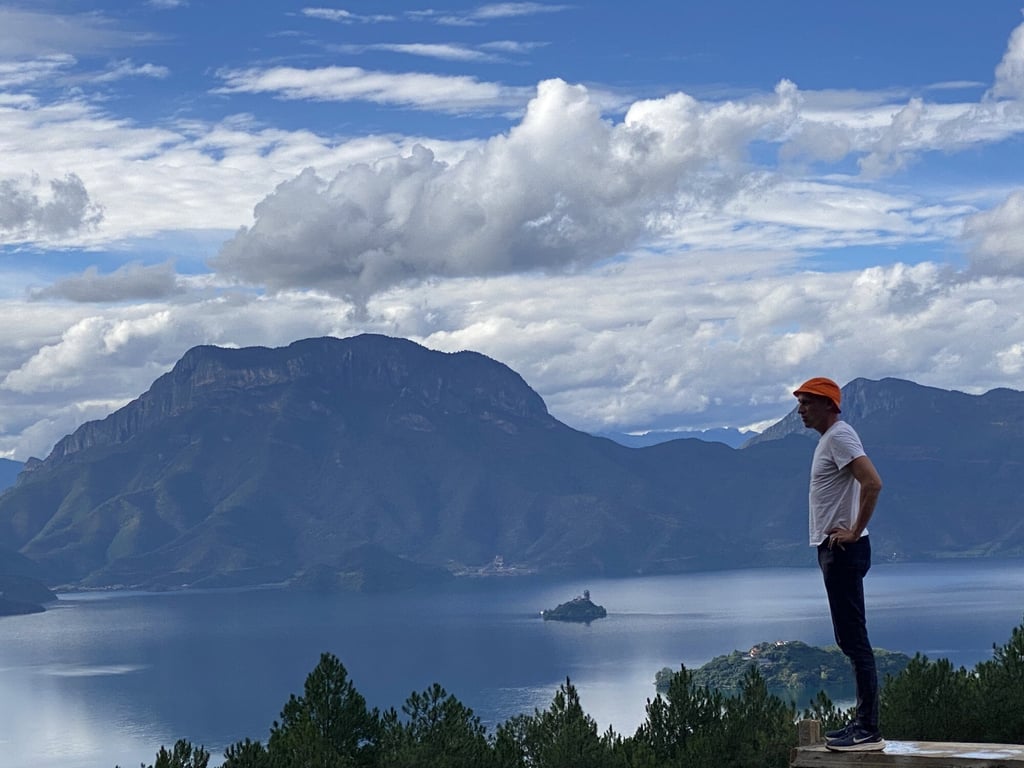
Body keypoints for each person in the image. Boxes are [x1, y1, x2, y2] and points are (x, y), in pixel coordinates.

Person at [793, 377, 885, 752]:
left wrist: (855, 530)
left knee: (854, 640)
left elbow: (873, 483)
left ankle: (867, 730)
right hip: (835, 549)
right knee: (849, 638)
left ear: (828, 404)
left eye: (807, 403)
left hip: (843, 550)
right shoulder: (829, 440)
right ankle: (863, 726)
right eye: (800, 403)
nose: (800, 410)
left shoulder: (840, 436)